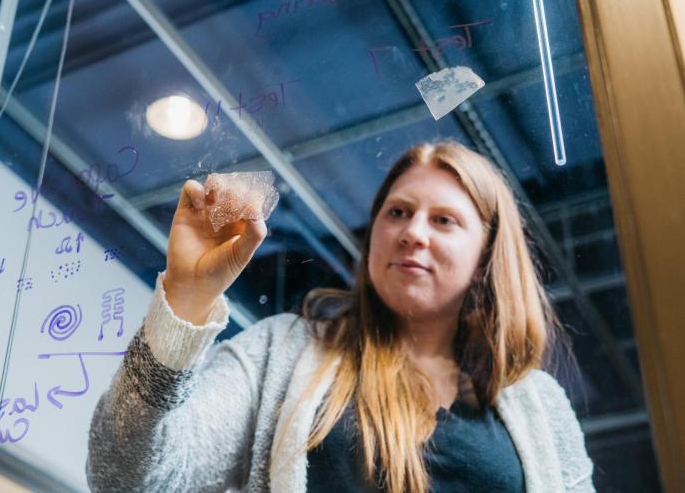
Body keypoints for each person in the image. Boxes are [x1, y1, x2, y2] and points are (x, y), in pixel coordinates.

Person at [87, 141, 595, 492]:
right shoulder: (283, 354)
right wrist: (185, 299)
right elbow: (126, 478)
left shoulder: (539, 408)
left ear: (487, 255)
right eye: (397, 212)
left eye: (443, 220)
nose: (413, 232)